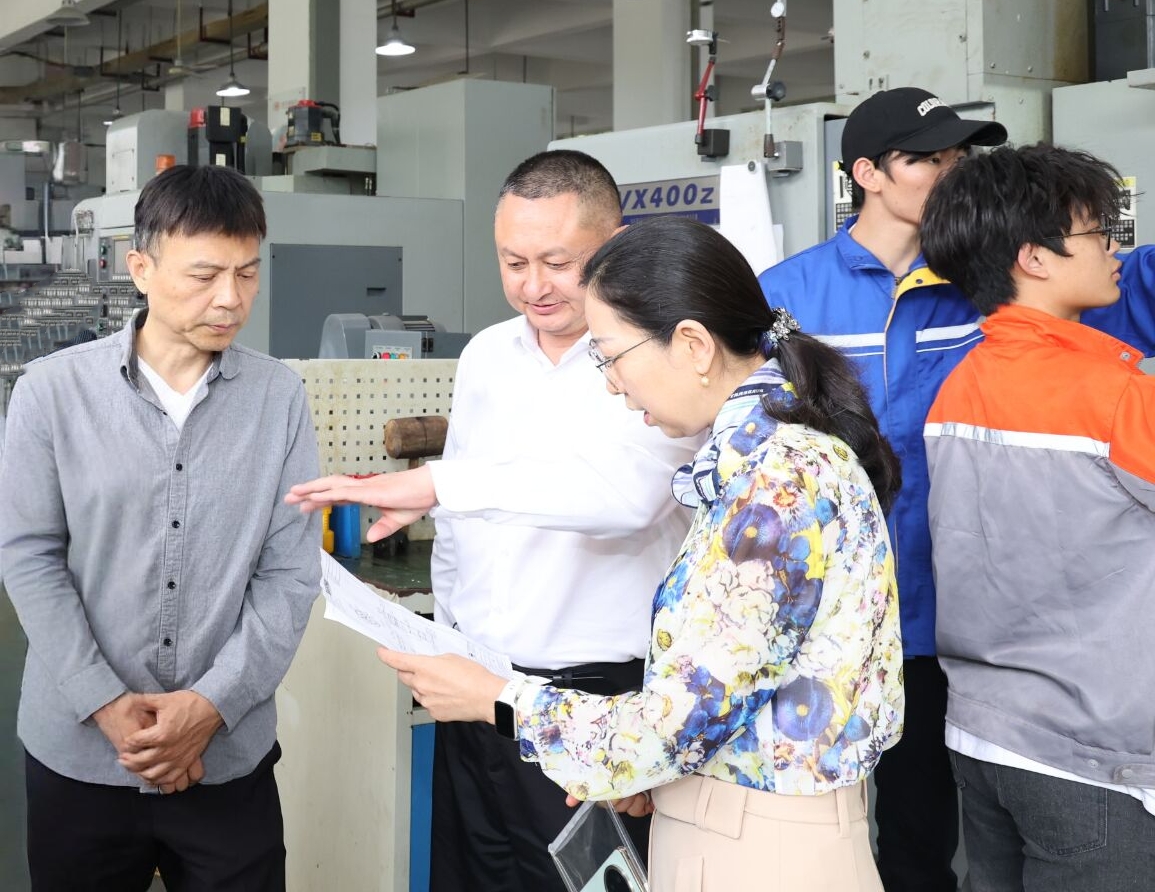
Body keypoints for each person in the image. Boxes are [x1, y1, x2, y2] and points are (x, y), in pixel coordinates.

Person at [294, 215, 906, 891]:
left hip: (759, 848)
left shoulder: (774, 485)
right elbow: (726, 698)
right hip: (735, 819)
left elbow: (672, 725)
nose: (611, 383)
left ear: (693, 345)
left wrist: (498, 699)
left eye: (610, 355)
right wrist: (654, 774)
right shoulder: (769, 459)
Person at [758, 86, 1155, 891]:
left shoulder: (991, 289)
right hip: (835, 617)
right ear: (866, 173)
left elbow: (1113, 293)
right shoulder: (787, 297)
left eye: (957, 156)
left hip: (961, 630)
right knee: (817, 832)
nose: (948, 170)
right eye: (926, 158)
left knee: (926, 834)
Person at [286, 150, 697, 892]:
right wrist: (445, 636)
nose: (533, 285)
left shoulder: (657, 354)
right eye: (513, 262)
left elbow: (622, 498)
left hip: (592, 701)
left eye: (558, 262)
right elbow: (464, 523)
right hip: (474, 693)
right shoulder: (487, 355)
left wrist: (438, 483)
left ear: (616, 243)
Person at [0, 164, 321, 892]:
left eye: (247, 273)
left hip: (224, 760)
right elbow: (30, 557)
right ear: (140, 269)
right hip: (80, 756)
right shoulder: (52, 393)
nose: (230, 297)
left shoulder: (278, 399)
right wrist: (106, 704)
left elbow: (290, 575)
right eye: (204, 275)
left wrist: (209, 706)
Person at [920, 144, 1155, 892]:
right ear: (1034, 257)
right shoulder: (1116, 395)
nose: (1115, 251)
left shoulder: (958, 385)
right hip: (1092, 760)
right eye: (1098, 234)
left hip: (983, 734)